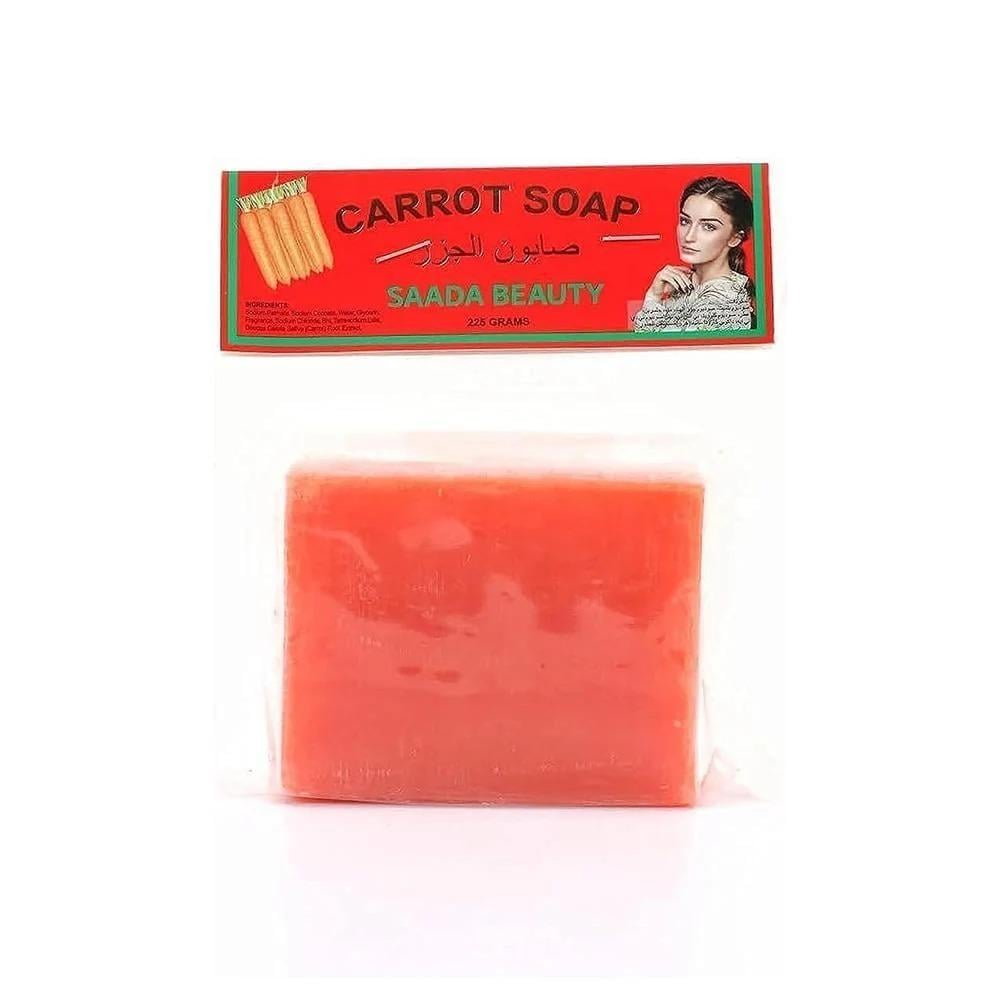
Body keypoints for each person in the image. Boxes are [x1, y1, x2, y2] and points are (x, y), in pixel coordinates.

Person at [633, 176, 754, 332]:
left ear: (734, 238)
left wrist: (653, 299)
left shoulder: (725, 298)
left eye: (708, 226)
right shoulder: (685, 285)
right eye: (685, 221)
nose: (689, 236)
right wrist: (655, 295)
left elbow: (659, 344)